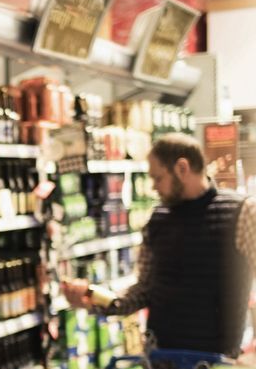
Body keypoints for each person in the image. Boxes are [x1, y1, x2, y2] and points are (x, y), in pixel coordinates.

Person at [62, 133, 256, 357]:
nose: (154, 187)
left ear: (182, 168)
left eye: (158, 178)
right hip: (162, 360)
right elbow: (145, 289)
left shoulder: (242, 213)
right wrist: (93, 298)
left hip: (218, 363)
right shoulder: (159, 219)